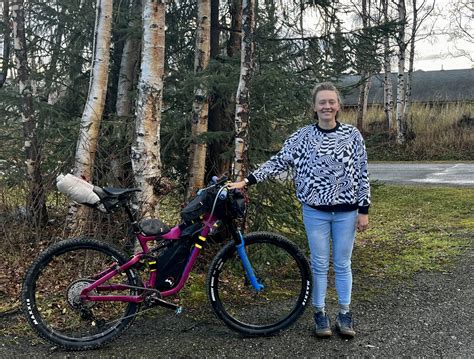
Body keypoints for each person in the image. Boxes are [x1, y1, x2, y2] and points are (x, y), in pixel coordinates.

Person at [228, 82, 370, 338]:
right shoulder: (302, 137)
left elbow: (361, 173)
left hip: (347, 213)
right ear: (314, 107)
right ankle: (320, 314)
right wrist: (247, 180)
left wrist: (364, 209)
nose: (327, 106)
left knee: (342, 263)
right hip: (315, 212)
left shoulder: (352, 136)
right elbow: (278, 162)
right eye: (322, 102)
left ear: (338, 105)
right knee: (318, 264)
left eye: (331, 102)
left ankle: (345, 314)